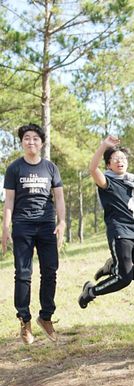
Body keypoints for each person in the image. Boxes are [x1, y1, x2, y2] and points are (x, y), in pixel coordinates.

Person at [2, 123, 65, 344]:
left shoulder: (50, 168)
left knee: (50, 271)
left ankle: (45, 317)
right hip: (23, 225)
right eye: (27, 138)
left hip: (47, 225)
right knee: (23, 273)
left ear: (42, 143)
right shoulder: (14, 168)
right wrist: (5, 228)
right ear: (22, 142)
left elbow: (59, 197)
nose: (31, 141)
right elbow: (9, 201)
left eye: (35, 138)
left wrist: (62, 222)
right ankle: (24, 320)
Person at [78, 136, 134, 308]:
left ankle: (112, 267)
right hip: (120, 232)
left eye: (123, 158)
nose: (120, 161)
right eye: (116, 159)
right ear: (108, 165)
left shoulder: (133, 182)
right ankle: (91, 291)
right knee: (124, 278)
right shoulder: (107, 182)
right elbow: (92, 168)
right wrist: (104, 145)